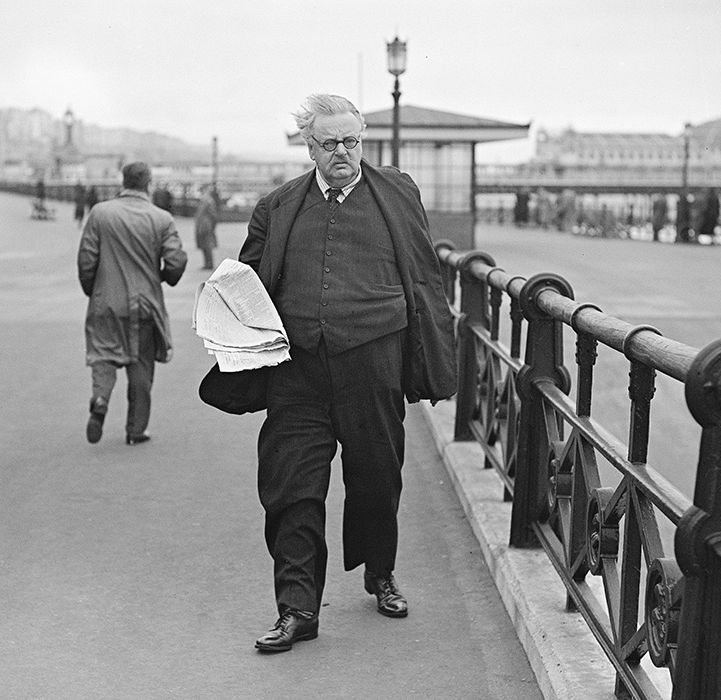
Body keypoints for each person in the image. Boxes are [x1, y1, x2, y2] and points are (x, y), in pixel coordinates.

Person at [237, 94, 456, 652]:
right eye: (330, 143)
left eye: (352, 142)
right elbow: (248, 285)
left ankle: (379, 572)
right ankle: (297, 609)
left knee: (377, 477)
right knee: (292, 488)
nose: (344, 153)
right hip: (299, 370)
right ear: (309, 147)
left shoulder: (398, 195)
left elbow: (424, 274)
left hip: (373, 362)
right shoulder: (278, 207)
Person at [77, 162, 187, 446]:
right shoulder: (161, 218)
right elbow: (176, 261)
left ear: (123, 181)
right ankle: (136, 430)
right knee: (140, 366)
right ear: (148, 183)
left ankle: (100, 399)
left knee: (103, 355)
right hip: (144, 304)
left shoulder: (100, 214)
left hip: (105, 302)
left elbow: (86, 260)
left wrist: (95, 291)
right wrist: (161, 277)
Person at [194, 187, 218, 270]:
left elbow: (202, 214)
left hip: (204, 225)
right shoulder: (208, 200)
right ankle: (208, 263)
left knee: (206, 245)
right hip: (205, 225)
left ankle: (209, 263)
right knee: (206, 245)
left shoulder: (206, 201)